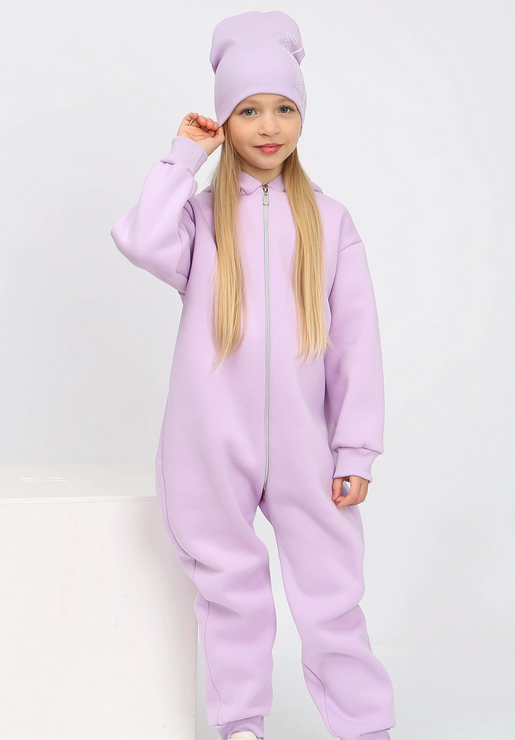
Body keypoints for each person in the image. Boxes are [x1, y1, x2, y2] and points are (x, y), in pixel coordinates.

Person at [110, 10, 396, 740]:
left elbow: (356, 345)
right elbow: (141, 239)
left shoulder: (330, 222)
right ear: (225, 120)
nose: (268, 126)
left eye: (284, 108)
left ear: (302, 115)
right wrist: (183, 156)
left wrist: (355, 449)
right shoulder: (201, 220)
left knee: (332, 599)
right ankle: (240, 725)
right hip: (209, 444)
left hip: (308, 450)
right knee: (232, 594)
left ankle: (365, 727)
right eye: (248, 110)